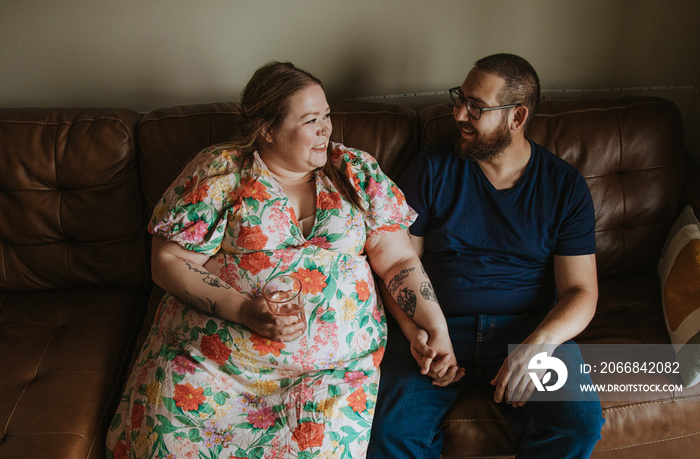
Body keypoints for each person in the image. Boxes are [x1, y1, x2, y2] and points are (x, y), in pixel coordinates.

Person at [105, 61, 459, 459]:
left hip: (328, 373)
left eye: (326, 115)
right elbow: (168, 260)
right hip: (213, 363)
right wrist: (243, 310)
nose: (326, 128)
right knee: (166, 444)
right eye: (311, 120)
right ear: (266, 129)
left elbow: (398, 263)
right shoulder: (221, 171)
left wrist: (433, 326)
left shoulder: (355, 171)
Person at [367, 53, 605, 458]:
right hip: (439, 326)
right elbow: (398, 268)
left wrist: (539, 344)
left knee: (579, 425)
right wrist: (418, 334)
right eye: (459, 98)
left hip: (528, 330)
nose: (459, 113)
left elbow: (582, 291)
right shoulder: (430, 170)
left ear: (517, 117)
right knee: (391, 430)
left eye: (475, 107)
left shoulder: (564, 186)